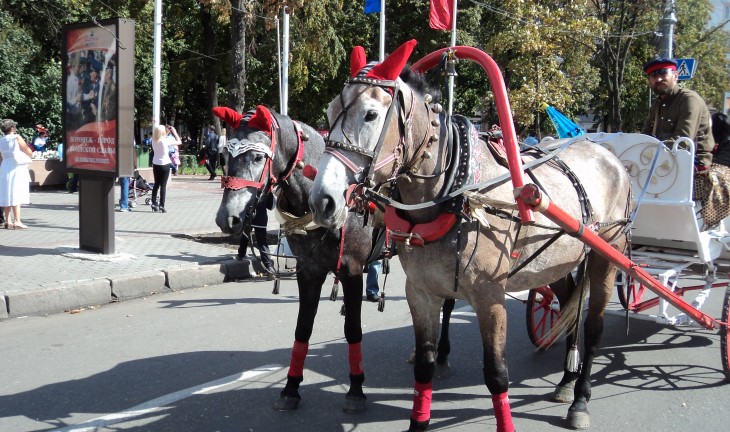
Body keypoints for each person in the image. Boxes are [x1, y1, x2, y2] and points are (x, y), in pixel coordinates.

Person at [640, 58, 715, 170]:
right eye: (653, 76)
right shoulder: (657, 103)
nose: (658, 79)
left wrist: (651, 153)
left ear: (675, 76)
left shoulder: (688, 99)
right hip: (663, 161)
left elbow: (683, 142)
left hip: (693, 164)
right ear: (649, 81)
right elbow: (646, 134)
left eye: (663, 73)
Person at [0, 119, 33, 229]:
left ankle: (8, 220)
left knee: (6, 192)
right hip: (16, 166)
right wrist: (28, 155)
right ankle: (17, 221)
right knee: (16, 192)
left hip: (5, 166)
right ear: (12, 128)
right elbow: (27, 150)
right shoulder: (16, 137)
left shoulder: (1, 140)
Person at [238, 192, 275, 278]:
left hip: (248, 218)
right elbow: (271, 206)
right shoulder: (266, 190)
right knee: (262, 242)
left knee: (245, 236)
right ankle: (269, 266)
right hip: (261, 219)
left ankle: (241, 255)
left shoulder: (248, 189)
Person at [150, 124, 181, 213]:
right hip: (165, 164)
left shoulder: (153, 140)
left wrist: (166, 132)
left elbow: (161, 136)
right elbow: (179, 142)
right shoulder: (166, 141)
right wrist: (174, 132)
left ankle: (153, 203)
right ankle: (162, 205)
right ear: (163, 132)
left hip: (156, 164)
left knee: (156, 184)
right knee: (163, 186)